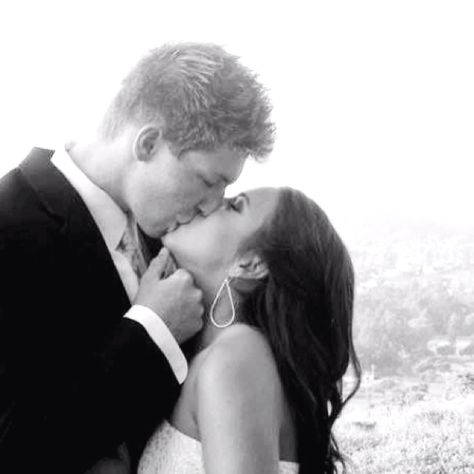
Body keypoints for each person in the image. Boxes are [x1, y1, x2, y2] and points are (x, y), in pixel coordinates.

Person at [0, 43, 274, 474]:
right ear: (148, 143)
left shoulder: (172, 236)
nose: (210, 206)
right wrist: (151, 332)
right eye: (207, 181)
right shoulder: (9, 225)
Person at [137, 187, 362, 474]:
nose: (207, 203)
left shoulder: (240, 355)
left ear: (251, 264)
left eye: (233, 206)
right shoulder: (224, 355)